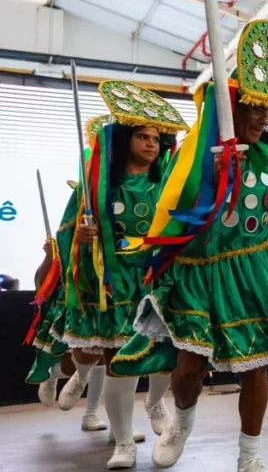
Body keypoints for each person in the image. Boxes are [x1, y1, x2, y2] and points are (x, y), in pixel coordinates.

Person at [111, 20, 268, 472]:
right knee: (189, 366)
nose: (264, 119)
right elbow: (175, 205)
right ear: (232, 106)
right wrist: (215, 170)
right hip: (198, 270)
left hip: (250, 268)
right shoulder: (194, 151)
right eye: (256, 110)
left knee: (255, 365)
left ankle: (250, 453)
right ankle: (182, 422)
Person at [47, 83, 187, 468]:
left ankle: (156, 403)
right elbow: (65, 231)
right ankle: (124, 442)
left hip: (157, 281)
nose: (151, 145)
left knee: (166, 356)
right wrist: (82, 234)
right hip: (113, 283)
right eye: (143, 137)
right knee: (116, 362)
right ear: (125, 140)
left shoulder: (167, 184)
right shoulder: (97, 187)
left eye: (156, 138)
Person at [25, 115, 109, 433]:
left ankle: (92, 414)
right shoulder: (69, 231)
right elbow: (40, 282)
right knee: (74, 357)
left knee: (104, 353)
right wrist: (50, 257)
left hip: (107, 294)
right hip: (72, 300)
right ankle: (52, 375)